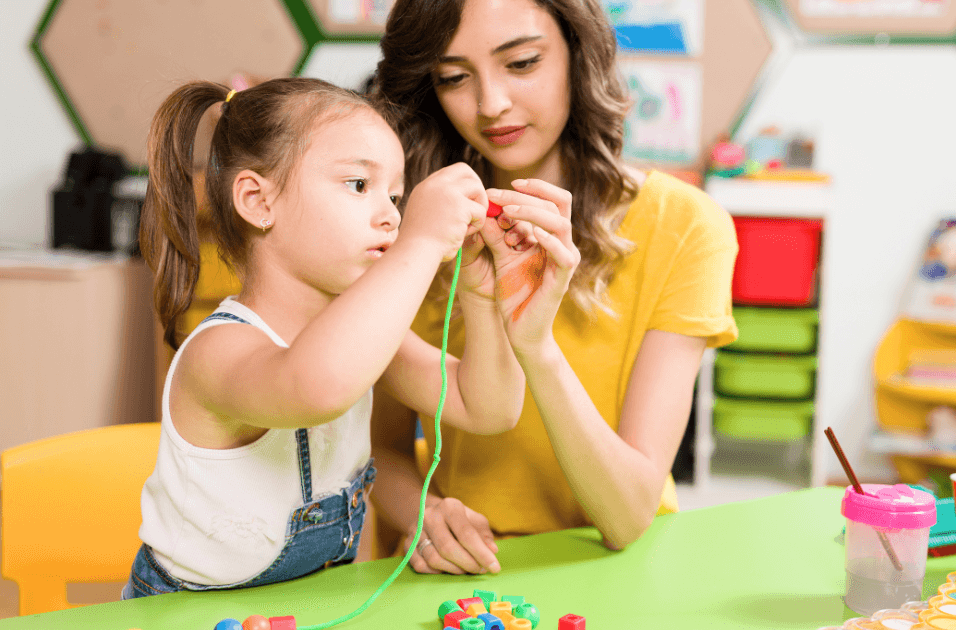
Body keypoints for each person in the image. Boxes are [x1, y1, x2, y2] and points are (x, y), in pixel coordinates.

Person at [125, 77, 544, 597]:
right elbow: (315, 388)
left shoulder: (360, 337)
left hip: (308, 605)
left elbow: (488, 408)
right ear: (257, 200)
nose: (392, 213)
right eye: (358, 185)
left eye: (396, 194)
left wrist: (483, 296)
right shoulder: (216, 354)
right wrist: (420, 239)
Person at [369, 0, 739, 575]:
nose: (490, 104)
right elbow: (380, 450)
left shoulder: (687, 226)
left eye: (520, 63)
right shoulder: (413, 231)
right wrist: (423, 514)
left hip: (619, 569)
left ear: (578, 53)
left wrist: (535, 346)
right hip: (462, 574)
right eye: (454, 77)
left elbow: (628, 516)